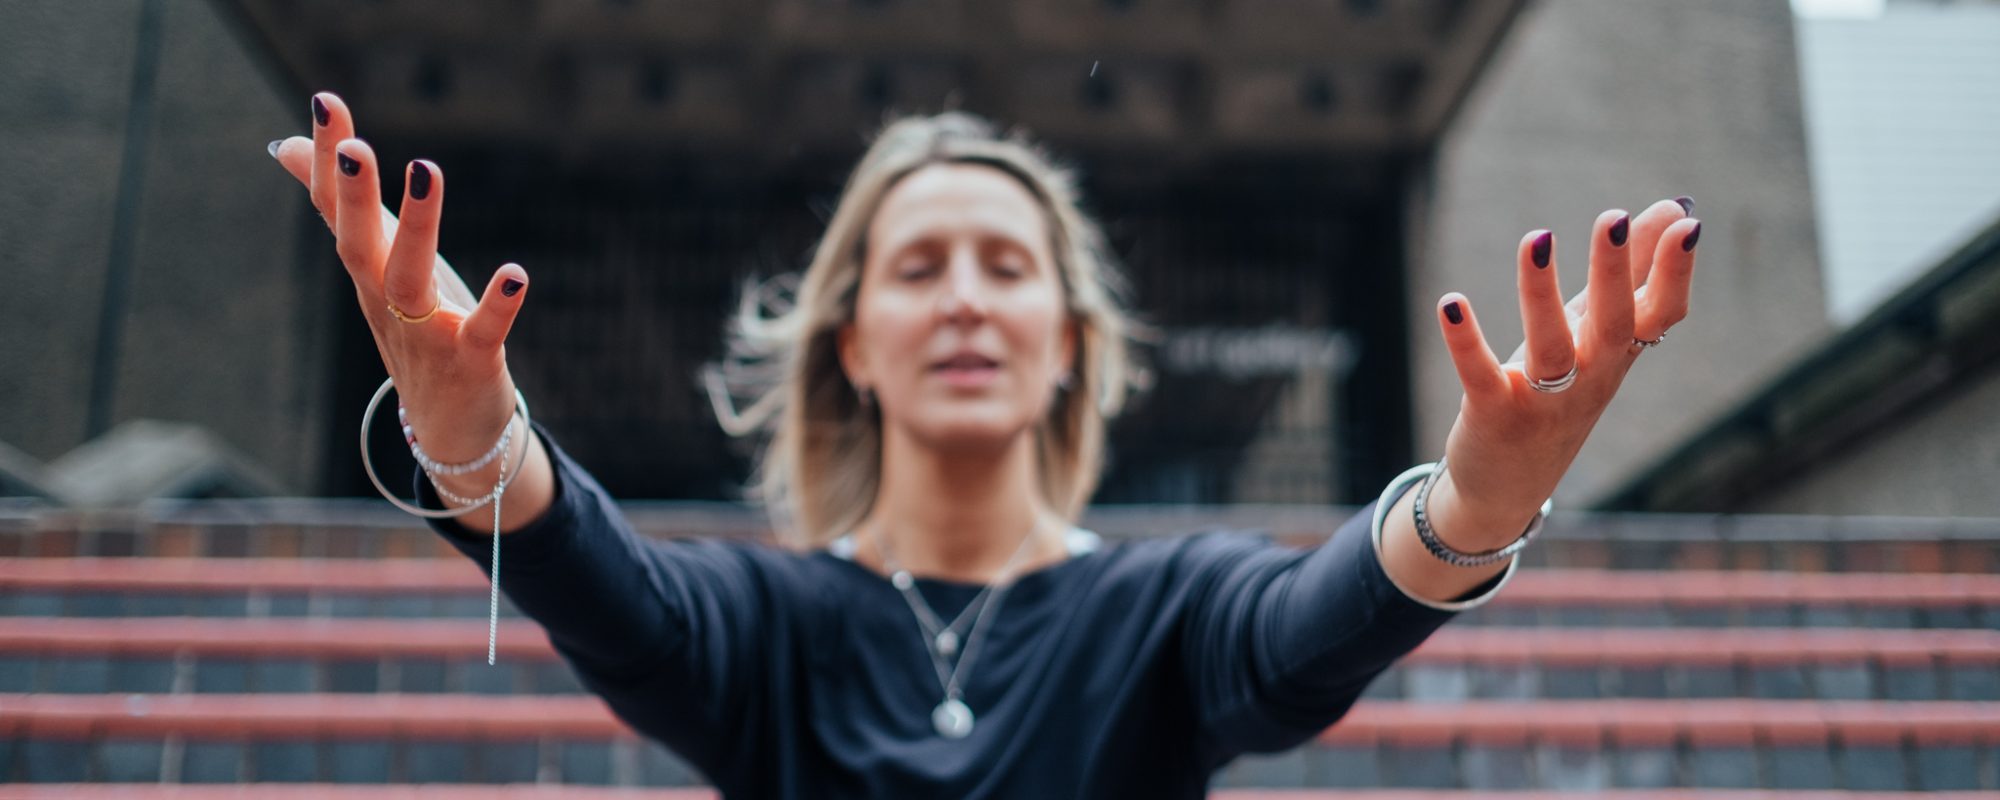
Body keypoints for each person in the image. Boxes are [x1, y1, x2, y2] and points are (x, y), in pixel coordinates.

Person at [268, 91, 1699, 798]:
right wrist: (474, 437)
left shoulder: (1165, 608)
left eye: (1007, 268)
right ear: (853, 341)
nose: (964, 296)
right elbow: (609, 587)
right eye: (920, 266)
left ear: (1068, 341)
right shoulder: (764, 626)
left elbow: (1299, 632)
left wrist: (1476, 501)